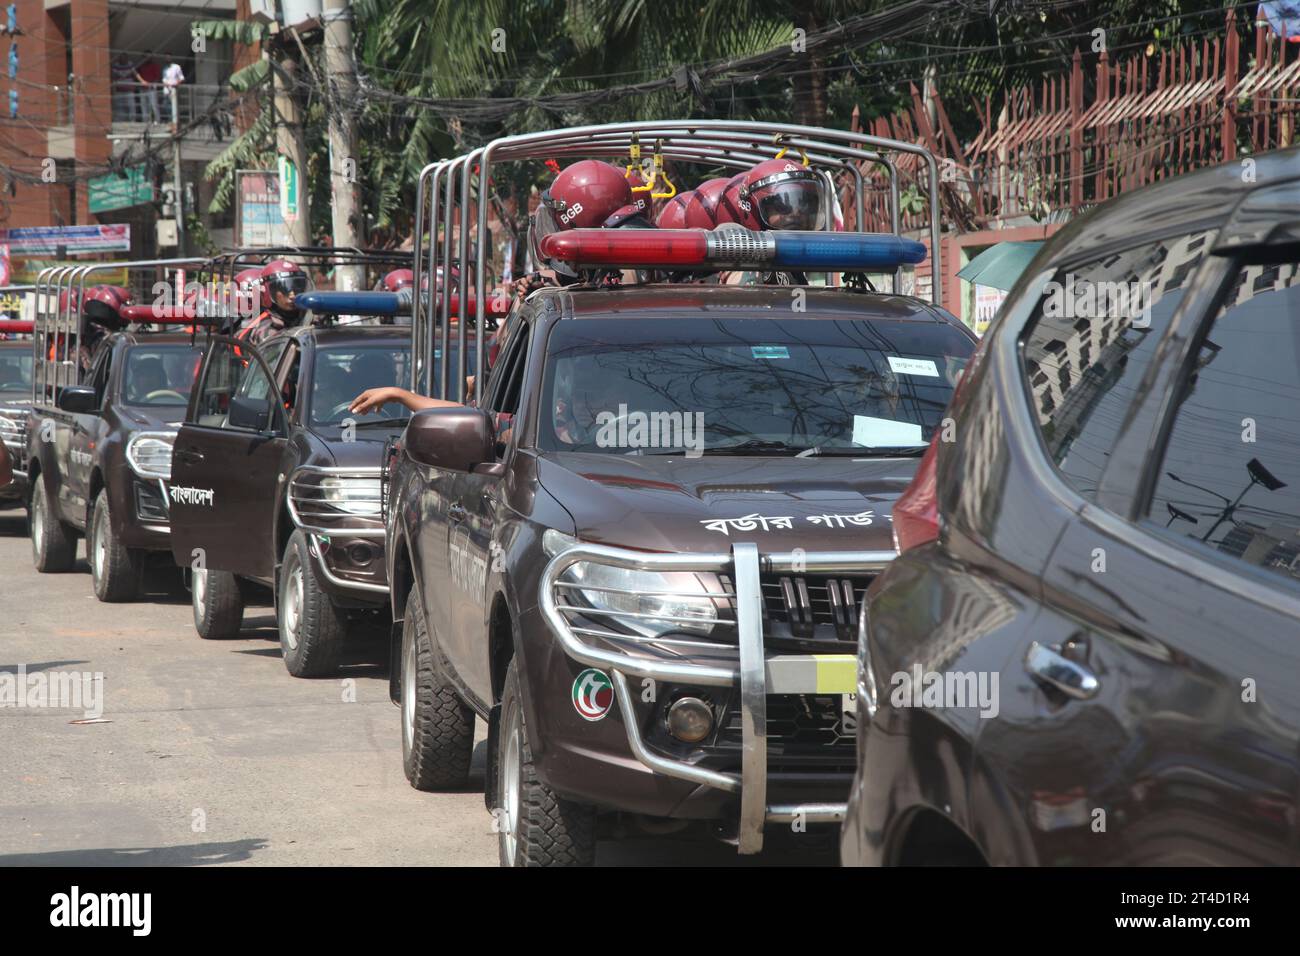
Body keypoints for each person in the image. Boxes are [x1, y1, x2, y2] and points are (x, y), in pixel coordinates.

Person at [134, 58, 162, 124]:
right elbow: (136, 73)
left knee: (153, 105)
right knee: (143, 105)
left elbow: (157, 77)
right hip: (142, 89)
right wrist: (142, 82)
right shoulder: (141, 66)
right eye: (145, 56)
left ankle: (157, 120)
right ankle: (145, 120)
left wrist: (151, 84)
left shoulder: (154, 65)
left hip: (151, 89)